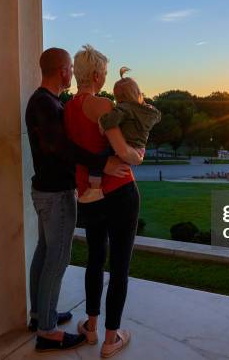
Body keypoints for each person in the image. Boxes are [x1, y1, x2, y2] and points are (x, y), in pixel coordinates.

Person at [25, 47, 130, 353]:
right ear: (62, 71)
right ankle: (46, 331)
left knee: (44, 254)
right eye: (69, 68)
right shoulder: (45, 103)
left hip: (49, 190)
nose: (71, 72)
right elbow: (60, 148)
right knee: (56, 261)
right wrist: (103, 163)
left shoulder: (53, 103)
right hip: (55, 194)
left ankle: (39, 315)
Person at [64, 45, 143, 358]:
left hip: (89, 196)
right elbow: (123, 151)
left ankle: (92, 328)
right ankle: (112, 339)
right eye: (105, 74)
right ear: (96, 75)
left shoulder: (67, 107)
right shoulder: (103, 105)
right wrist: (136, 156)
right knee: (120, 265)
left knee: (95, 260)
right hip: (120, 192)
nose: (106, 78)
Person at [79, 66, 161, 203]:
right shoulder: (150, 111)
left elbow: (111, 119)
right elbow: (157, 116)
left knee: (98, 158)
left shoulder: (124, 109)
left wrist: (101, 123)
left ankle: (95, 188)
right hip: (139, 148)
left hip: (127, 145)